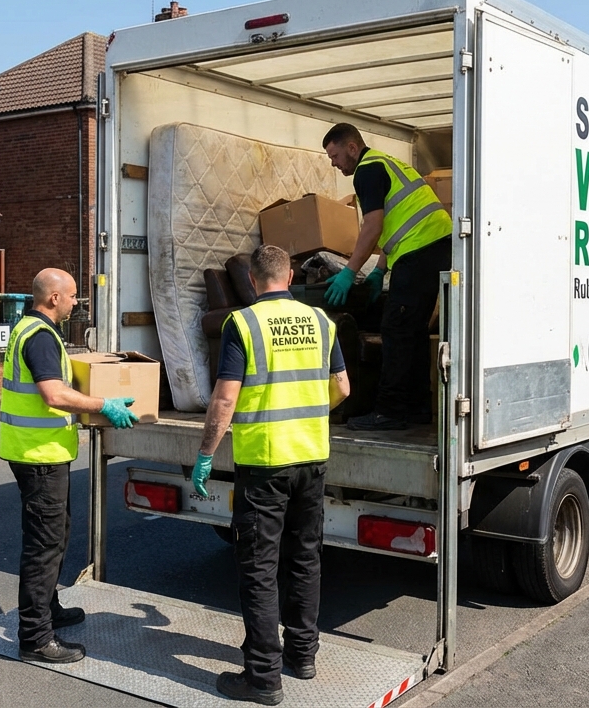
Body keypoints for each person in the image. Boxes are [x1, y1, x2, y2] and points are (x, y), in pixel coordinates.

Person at [191, 246, 351, 705]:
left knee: (260, 569)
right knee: (305, 558)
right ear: (291, 276)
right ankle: (302, 655)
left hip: (264, 462)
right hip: (311, 458)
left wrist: (206, 454)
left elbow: (225, 398)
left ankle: (263, 678)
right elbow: (342, 387)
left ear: (252, 280)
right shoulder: (321, 321)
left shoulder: (243, 323)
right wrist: (309, 412)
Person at [0, 268, 139, 665]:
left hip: (36, 453)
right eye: (73, 295)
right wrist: (102, 405)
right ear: (54, 298)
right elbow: (53, 394)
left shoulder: (28, 328)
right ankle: (35, 638)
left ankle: (49, 609)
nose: (77, 302)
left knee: (56, 535)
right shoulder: (41, 336)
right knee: (44, 546)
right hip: (39, 456)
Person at [321, 123, 453, 431]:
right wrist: (380, 269)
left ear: (352, 147)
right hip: (435, 247)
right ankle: (417, 409)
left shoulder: (367, 171)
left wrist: (349, 272)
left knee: (395, 330)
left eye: (335, 156)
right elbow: (397, 225)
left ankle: (389, 411)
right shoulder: (387, 163)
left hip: (419, 251)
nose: (334, 164)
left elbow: (373, 226)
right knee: (413, 331)